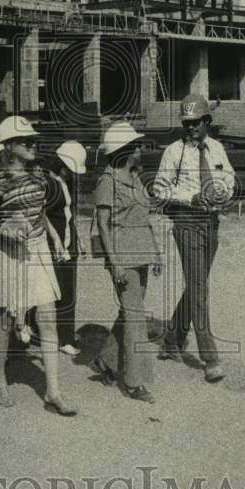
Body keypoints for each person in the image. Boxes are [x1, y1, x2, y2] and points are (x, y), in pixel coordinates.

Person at [0, 115, 77, 417]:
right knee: (4, 318)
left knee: (48, 318)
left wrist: (55, 241)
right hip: (10, 254)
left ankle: (53, 391)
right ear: (9, 146)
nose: (32, 144)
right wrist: (5, 228)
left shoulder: (39, 178)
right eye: (25, 141)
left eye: (32, 140)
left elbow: (40, 216)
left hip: (37, 251)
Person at [154, 94, 235, 384]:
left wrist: (223, 192)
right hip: (186, 222)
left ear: (207, 122)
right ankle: (210, 358)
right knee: (200, 289)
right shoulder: (173, 153)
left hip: (211, 223)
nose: (190, 128)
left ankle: (171, 339)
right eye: (186, 123)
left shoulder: (216, 149)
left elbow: (229, 179)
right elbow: (160, 191)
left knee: (196, 286)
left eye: (195, 123)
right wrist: (191, 197)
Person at [91, 121, 161, 404]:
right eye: (135, 147)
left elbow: (144, 218)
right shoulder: (107, 181)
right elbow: (103, 225)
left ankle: (105, 361)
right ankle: (134, 381)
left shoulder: (135, 178)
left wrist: (155, 252)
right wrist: (115, 263)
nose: (139, 150)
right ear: (124, 151)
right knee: (135, 317)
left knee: (129, 312)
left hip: (142, 252)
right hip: (122, 256)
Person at [43, 140, 87, 356]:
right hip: (55, 246)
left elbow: (69, 214)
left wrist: (78, 238)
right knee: (57, 292)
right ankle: (60, 337)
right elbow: (42, 215)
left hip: (68, 244)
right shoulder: (48, 184)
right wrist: (56, 241)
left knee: (69, 291)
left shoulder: (65, 184)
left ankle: (66, 335)